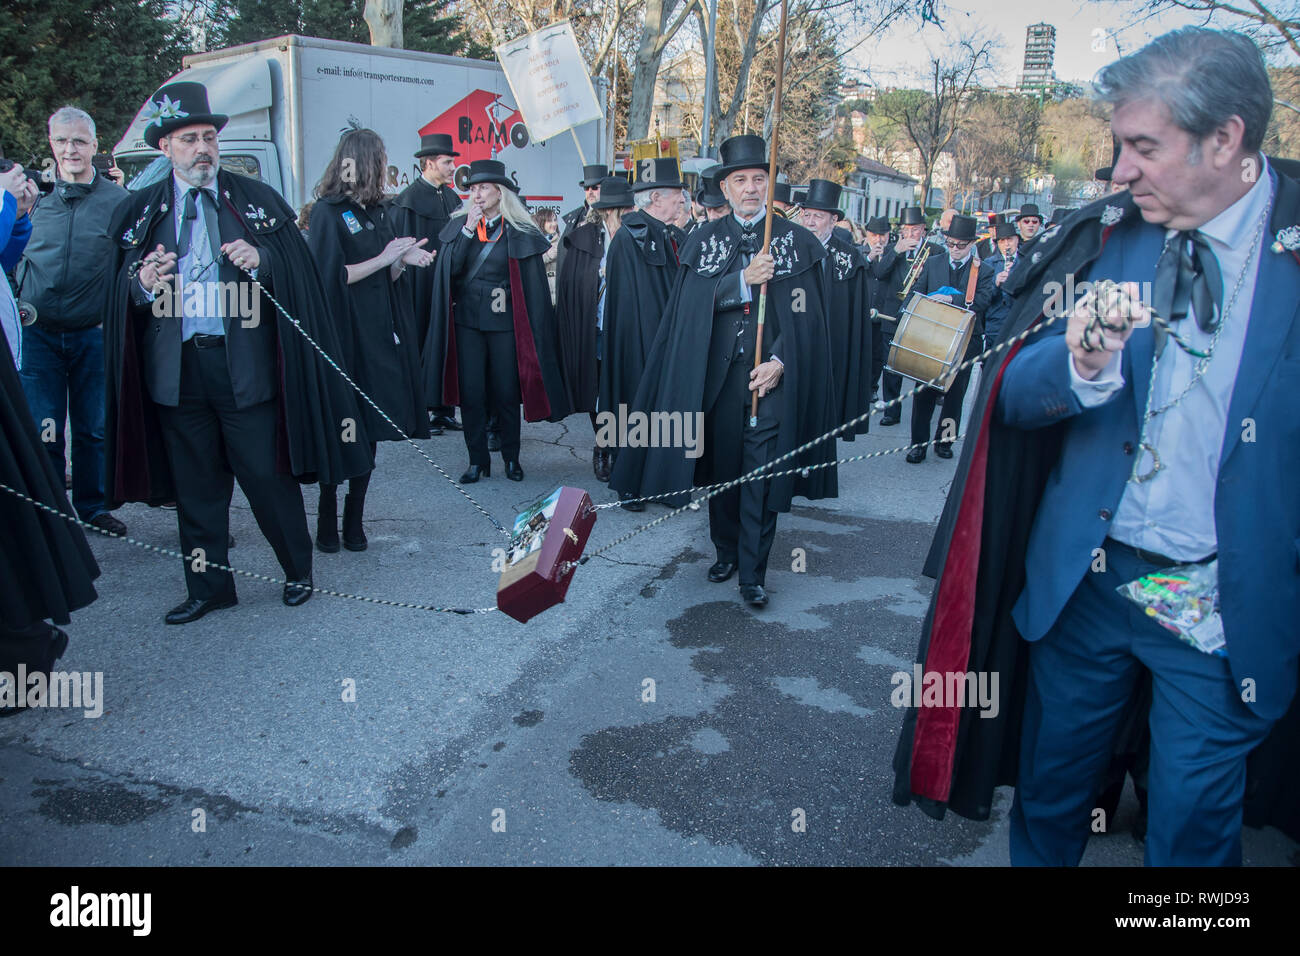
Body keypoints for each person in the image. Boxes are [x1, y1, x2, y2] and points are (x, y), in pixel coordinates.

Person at [892, 27, 1300, 865]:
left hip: (1220, 607)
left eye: (1143, 147)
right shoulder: (1108, 237)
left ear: (1225, 138)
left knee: (1191, 826)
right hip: (1090, 584)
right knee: (1049, 799)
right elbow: (1010, 392)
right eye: (1119, 146)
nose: (1118, 171)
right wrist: (1077, 363)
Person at [103, 81, 373, 623]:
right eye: (188, 140)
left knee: (265, 480)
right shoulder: (142, 211)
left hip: (244, 367)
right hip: (177, 372)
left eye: (208, 137)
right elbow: (113, 293)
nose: (202, 148)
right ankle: (209, 588)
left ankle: (298, 569)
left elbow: (300, 273)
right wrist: (141, 283)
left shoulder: (257, 202)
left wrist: (264, 260)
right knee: (197, 492)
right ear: (165, 148)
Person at [609, 134, 838, 609]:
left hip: (769, 382)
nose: (751, 188)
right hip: (716, 381)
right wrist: (739, 282)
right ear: (727, 188)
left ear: (769, 185)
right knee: (722, 472)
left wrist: (779, 362)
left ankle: (753, 573)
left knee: (759, 475)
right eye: (741, 180)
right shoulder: (704, 239)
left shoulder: (796, 241)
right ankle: (726, 550)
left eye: (759, 179)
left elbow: (808, 316)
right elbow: (688, 309)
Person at [307, 128, 434, 554]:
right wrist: (384, 257)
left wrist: (402, 260)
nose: (384, 164)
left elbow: (387, 274)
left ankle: (354, 517)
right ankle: (327, 512)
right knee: (342, 425)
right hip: (343, 335)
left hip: (380, 333)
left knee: (372, 426)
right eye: (378, 157)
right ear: (359, 161)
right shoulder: (328, 211)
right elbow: (331, 276)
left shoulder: (381, 211)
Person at [14, 107, 129, 539]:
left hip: (92, 335)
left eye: (79, 141)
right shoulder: (31, 197)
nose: (70, 149)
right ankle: (49, 511)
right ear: (51, 144)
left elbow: (128, 267)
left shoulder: (118, 202)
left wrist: (112, 318)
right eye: (62, 141)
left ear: (95, 146)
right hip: (37, 333)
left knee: (93, 428)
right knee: (44, 428)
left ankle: (93, 507)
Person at [422, 159, 570, 484]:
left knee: (505, 392)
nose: (477, 195)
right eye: (472, 189)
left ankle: (511, 457)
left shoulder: (518, 230)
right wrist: (465, 229)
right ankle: (477, 460)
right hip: (468, 325)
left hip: (504, 325)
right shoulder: (460, 227)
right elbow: (452, 270)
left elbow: (530, 286)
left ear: (499, 192)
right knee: (472, 393)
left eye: (483, 188)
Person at [600, 160, 686, 507]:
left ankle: (661, 482)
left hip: (666, 339)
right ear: (655, 198)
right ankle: (629, 483)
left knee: (666, 409)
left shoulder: (670, 233)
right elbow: (630, 299)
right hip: (637, 341)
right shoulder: (630, 234)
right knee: (633, 407)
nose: (682, 202)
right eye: (677, 196)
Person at [555, 176, 635, 482]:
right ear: (607, 211)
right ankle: (603, 445)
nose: (627, 214)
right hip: (598, 327)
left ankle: (621, 446)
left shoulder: (636, 235)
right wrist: (599, 275)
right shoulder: (584, 238)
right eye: (622, 210)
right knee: (598, 389)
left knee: (625, 390)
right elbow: (572, 282)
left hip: (627, 328)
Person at [904, 213, 995, 463]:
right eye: (950, 243)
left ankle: (944, 442)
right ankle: (918, 445)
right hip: (932, 337)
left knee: (955, 396)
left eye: (960, 245)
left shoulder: (983, 270)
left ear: (972, 244)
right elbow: (916, 292)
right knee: (924, 393)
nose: (954, 249)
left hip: (965, 341)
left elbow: (984, 301)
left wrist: (951, 299)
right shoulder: (933, 263)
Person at [391, 131, 465, 436]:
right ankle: (418, 411)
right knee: (420, 340)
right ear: (430, 163)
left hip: (445, 283)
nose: (452, 168)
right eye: (447, 162)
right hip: (418, 286)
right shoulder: (407, 201)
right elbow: (398, 247)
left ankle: (443, 409)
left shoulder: (451, 197)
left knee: (447, 342)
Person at [799, 179, 872, 441]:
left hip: (833, 350)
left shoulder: (850, 259)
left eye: (818, 216)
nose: (810, 222)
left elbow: (856, 319)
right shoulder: (790, 249)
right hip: (795, 346)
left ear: (833, 221)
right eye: (806, 215)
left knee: (825, 420)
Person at [872, 205, 928, 426]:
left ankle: (921, 412)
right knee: (891, 365)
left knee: (920, 367)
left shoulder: (934, 251)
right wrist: (896, 251)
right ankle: (891, 411)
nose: (910, 234)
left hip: (919, 315)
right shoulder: (892, 250)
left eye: (914, 230)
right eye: (906, 230)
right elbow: (879, 273)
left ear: (923, 230)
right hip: (892, 315)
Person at [861, 215, 892, 401]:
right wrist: (870, 257)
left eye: (882, 235)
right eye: (874, 235)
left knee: (878, 355)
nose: (878, 239)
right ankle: (861, 386)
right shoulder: (859, 250)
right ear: (867, 234)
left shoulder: (892, 254)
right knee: (862, 351)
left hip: (883, 311)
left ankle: (872, 386)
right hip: (863, 311)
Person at [982, 220, 1019, 347]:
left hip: (1018, 322)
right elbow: (983, 297)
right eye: (1002, 241)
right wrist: (996, 282)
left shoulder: (1026, 261)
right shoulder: (988, 263)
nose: (1006, 244)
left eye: (1010, 239)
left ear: (1017, 239)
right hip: (995, 324)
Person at [561, 164, 607, 235]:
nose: (590, 192)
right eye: (587, 188)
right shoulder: (576, 217)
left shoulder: (611, 216)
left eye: (594, 187)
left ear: (605, 188)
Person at [534, 207, 560, 300]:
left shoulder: (561, 242)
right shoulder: (533, 242)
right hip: (540, 289)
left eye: (555, 220)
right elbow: (532, 262)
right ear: (541, 222)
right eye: (549, 221)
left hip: (558, 290)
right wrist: (547, 256)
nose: (554, 224)